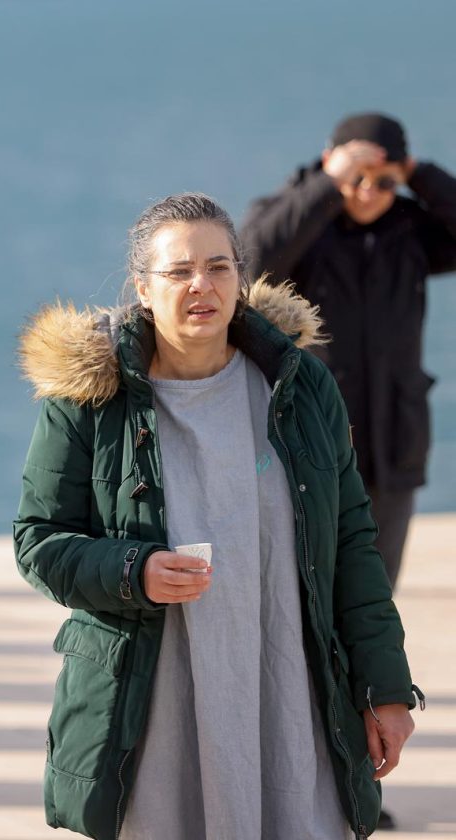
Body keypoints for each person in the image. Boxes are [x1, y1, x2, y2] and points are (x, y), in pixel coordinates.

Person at [13, 193, 422, 840]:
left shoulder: (299, 384)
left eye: (218, 266)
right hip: (151, 707)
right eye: (178, 272)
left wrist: (386, 690)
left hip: (291, 697)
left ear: (239, 276)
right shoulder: (89, 400)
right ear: (143, 288)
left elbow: (351, 542)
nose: (201, 284)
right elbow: (39, 541)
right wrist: (133, 570)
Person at [242, 113, 456, 592]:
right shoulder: (301, 220)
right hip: (312, 442)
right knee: (307, 593)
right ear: (330, 165)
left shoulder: (412, 230)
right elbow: (252, 257)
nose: (367, 192)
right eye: (355, 178)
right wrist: (326, 183)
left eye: (383, 181)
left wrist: (420, 174)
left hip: (393, 447)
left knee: (373, 597)